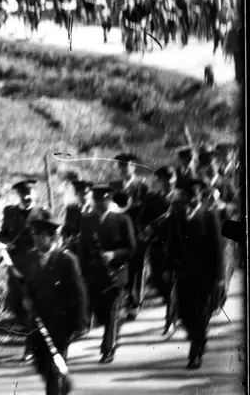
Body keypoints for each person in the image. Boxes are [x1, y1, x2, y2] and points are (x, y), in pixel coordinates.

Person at [18, 213, 88, 395]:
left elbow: (79, 293)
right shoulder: (31, 258)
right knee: (41, 365)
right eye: (35, 236)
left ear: (51, 237)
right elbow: (27, 284)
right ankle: (62, 387)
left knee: (53, 369)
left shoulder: (66, 260)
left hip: (60, 324)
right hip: (38, 324)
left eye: (41, 236)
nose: (37, 240)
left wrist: (80, 323)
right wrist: (26, 299)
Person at [166, 177, 226, 369]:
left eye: (195, 194)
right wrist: (168, 268)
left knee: (200, 314)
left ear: (200, 195)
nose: (191, 197)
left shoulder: (209, 216)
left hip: (204, 276)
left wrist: (219, 278)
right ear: (183, 197)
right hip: (183, 275)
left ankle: (195, 354)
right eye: (187, 194)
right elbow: (171, 244)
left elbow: (217, 248)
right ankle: (198, 339)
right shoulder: (177, 216)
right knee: (184, 314)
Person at [77, 184, 136, 363]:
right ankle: (113, 334)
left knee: (111, 311)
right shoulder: (87, 220)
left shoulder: (122, 220)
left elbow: (131, 249)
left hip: (115, 273)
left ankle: (107, 349)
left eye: (102, 200)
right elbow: (82, 248)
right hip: (94, 274)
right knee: (101, 312)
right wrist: (81, 271)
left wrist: (113, 254)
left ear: (109, 200)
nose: (98, 204)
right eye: (96, 200)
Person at [0, 178, 41, 342]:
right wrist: (7, 242)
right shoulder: (9, 212)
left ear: (34, 194)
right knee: (15, 302)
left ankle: (32, 341)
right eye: (23, 195)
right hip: (16, 263)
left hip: (35, 263)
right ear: (18, 196)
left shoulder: (41, 212)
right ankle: (28, 330)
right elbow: (2, 234)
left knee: (32, 301)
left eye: (29, 194)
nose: (26, 197)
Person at [140, 165, 179, 336]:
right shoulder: (151, 198)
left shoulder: (182, 199)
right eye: (166, 180)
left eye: (172, 179)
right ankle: (175, 307)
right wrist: (145, 229)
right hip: (157, 246)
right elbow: (141, 219)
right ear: (160, 181)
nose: (169, 183)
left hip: (177, 247)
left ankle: (170, 320)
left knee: (172, 283)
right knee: (158, 281)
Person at [111, 153, 150, 321]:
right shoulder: (114, 186)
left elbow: (145, 212)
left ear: (133, 167)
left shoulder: (141, 186)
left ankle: (135, 304)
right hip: (119, 233)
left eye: (125, 166)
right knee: (121, 268)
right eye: (119, 166)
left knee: (137, 268)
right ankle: (124, 301)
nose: (122, 169)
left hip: (136, 232)